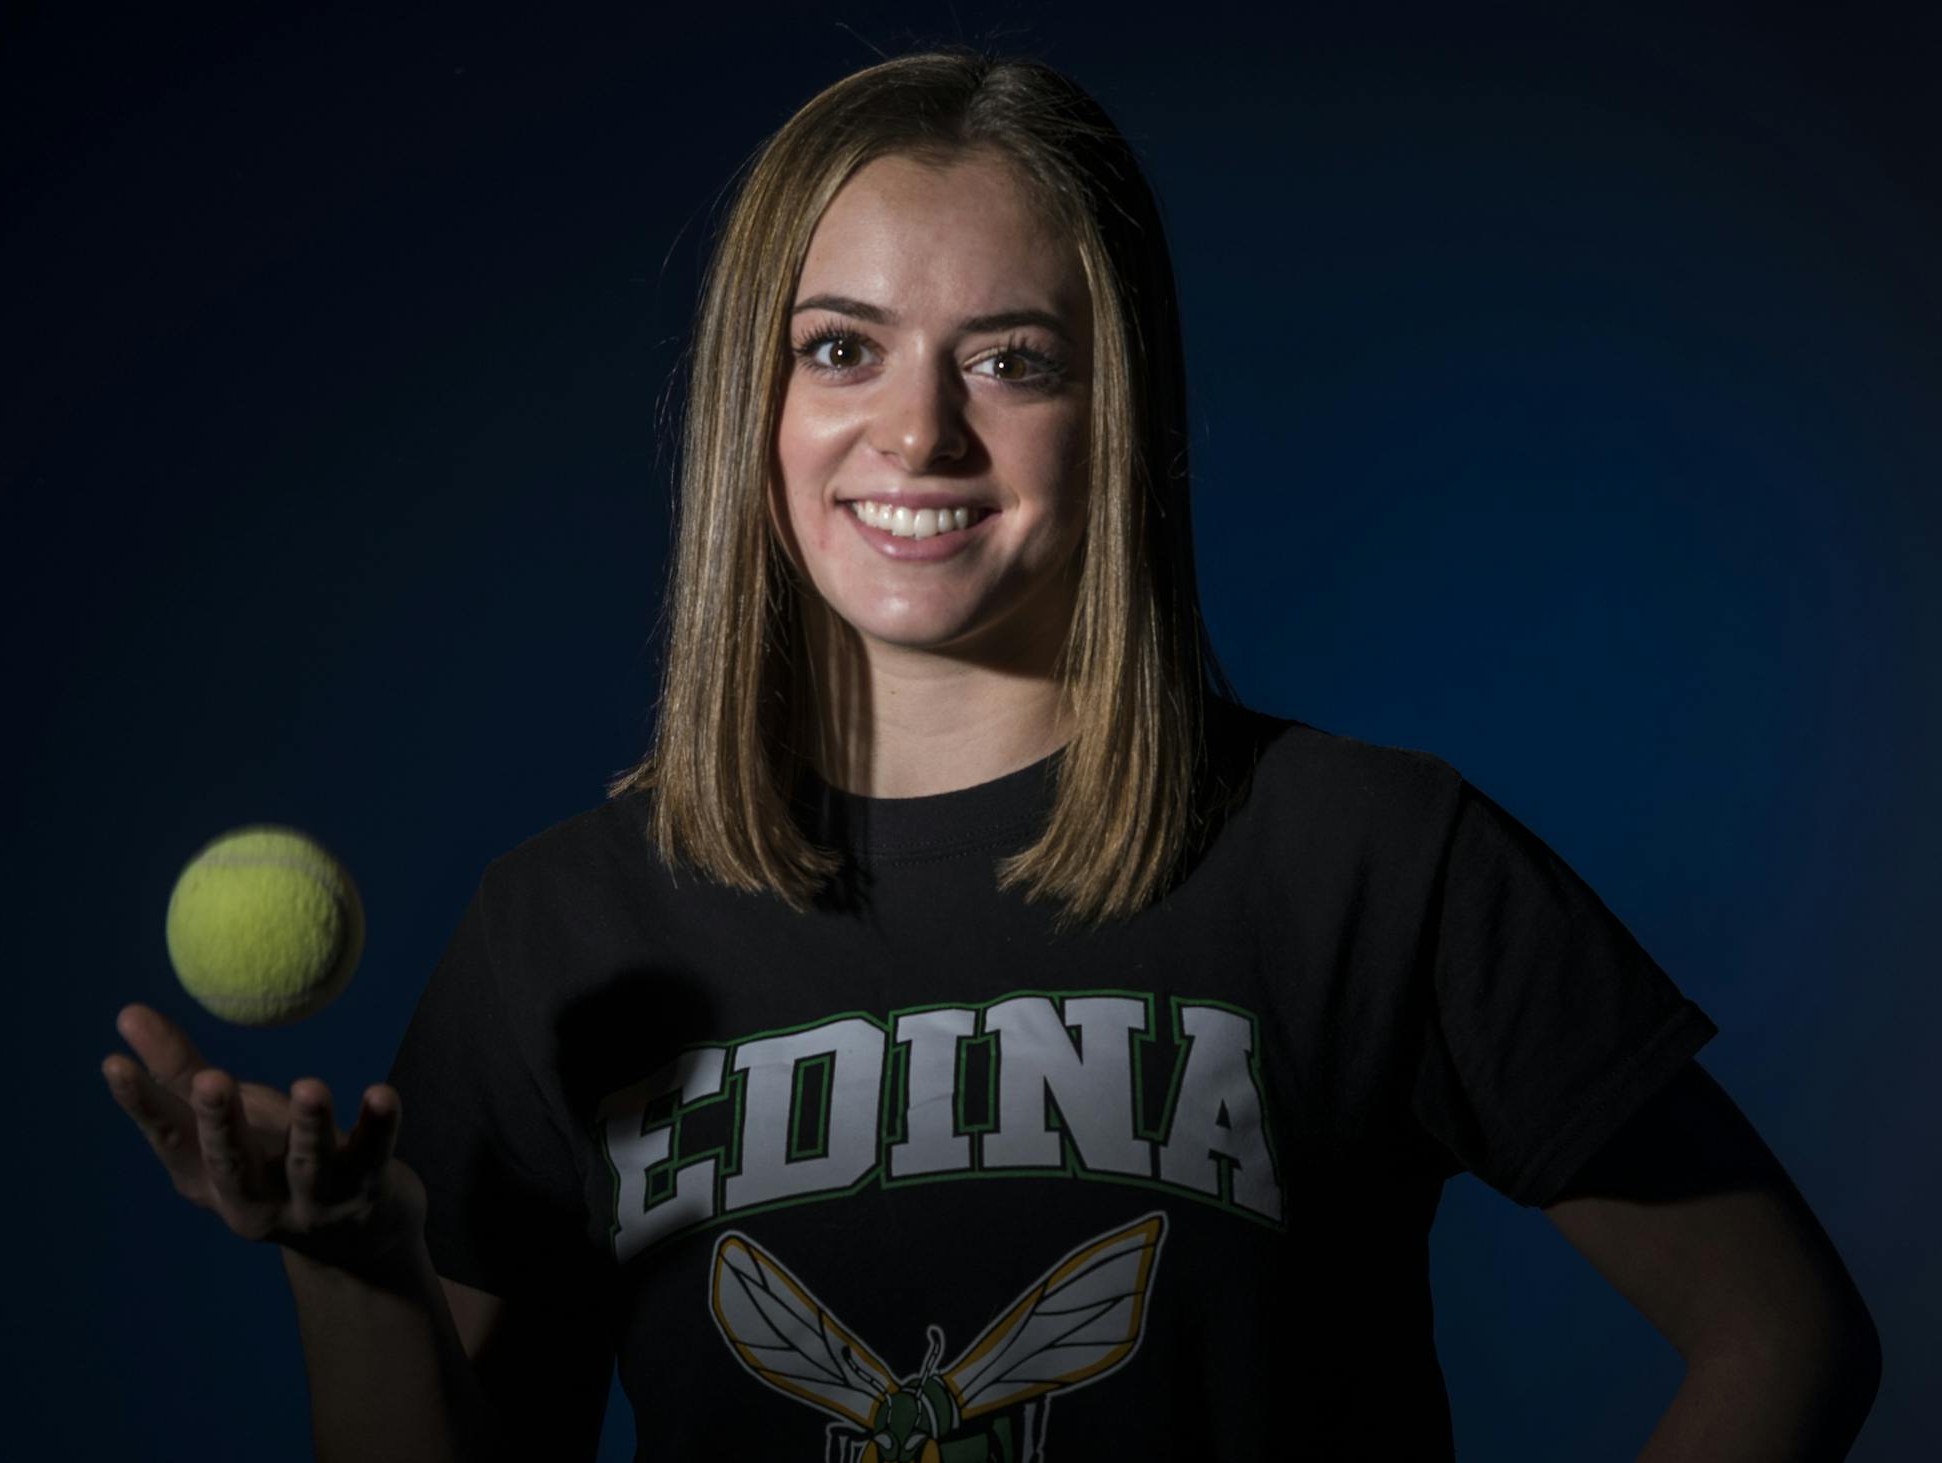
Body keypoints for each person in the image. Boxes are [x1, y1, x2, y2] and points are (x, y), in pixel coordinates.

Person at [102, 46, 1882, 1462]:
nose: (918, 430)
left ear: (1119, 409)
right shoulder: (560, 931)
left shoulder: (1369, 860)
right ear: (760, 410)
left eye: (1013, 356)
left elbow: (1784, 1336)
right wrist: (351, 1270)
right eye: (841, 348)